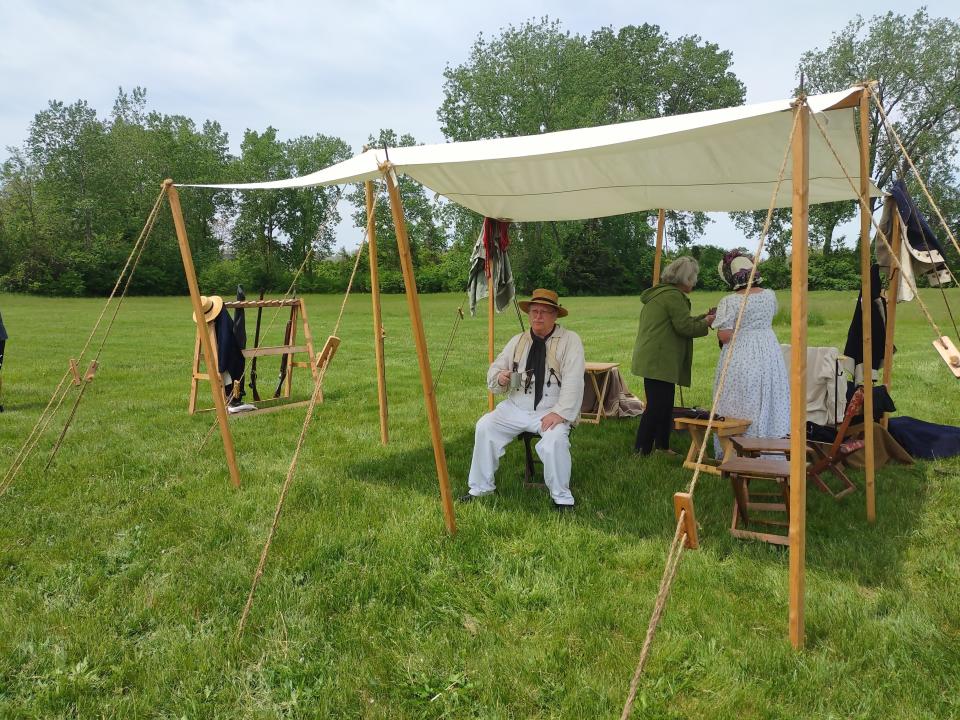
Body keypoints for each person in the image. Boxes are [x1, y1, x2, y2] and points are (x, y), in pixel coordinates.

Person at [461, 288, 585, 509]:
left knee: (555, 440)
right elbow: (496, 369)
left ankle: (562, 498)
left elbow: (574, 382)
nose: (538, 316)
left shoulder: (570, 341)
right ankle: (480, 489)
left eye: (544, 312)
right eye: (534, 311)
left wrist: (559, 412)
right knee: (485, 426)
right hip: (516, 405)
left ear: (555, 315)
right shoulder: (518, 341)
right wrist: (500, 378)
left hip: (551, 408)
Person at [631, 257, 715, 455]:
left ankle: (662, 445)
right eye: (693, 278)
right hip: (659, 359)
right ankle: (641, 449)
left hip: (655, 357)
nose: (694, 283)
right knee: (656, 406)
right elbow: (685, 327)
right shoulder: (674, 297)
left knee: (665, 404)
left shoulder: (663, 294)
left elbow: (681, 321)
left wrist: (704, 318)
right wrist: (708, 322)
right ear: (686, 278)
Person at [710, 250, 790, 452]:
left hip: (742, 354)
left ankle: (738, 447)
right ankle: (768, 445)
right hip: (768, 351)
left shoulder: (731, 301)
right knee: (765, 395)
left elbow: (725, 336)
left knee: (739, 396)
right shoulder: (770, 296)